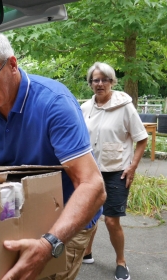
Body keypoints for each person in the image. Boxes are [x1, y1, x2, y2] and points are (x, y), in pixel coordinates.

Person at [0, 31, 106, 280]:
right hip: (16, 213)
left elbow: (93, 186)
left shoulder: (54, 103)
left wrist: (49, 244)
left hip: (65, 219)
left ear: (12, 64)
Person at [80, 62, 148, 280]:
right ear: (90, 83)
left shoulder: (125, 106)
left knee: (111, 220)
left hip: (116, 171)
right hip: (91, 171)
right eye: (95, 80)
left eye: (104, 79)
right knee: (89, 216)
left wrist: (133, 166)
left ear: (112, 81)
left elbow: (141, 139)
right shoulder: (84, 108)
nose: (100, 84)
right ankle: (87, 252)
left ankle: (121, 261)